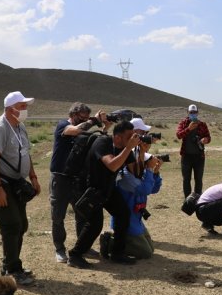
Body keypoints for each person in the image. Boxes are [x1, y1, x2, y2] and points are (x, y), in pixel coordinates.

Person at [0, 91, 41, 286]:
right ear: (10, 109)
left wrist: (32, 176)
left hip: (16, 183)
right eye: (22, 106)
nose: (25, 110)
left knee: (21, 225)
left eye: (26, 106)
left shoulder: (20, 126)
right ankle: (12, 269)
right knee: (12, 225)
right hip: (2, 182)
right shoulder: (0, 128)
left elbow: (26, 153)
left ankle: (10, 263)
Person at [66, 121, 141, 268]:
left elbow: (136, 172)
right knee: (95, 224)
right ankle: (75, 255)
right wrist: (128, 148)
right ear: (118, 137)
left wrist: (140, 150)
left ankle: (117, 253)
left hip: (106, 188)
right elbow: (112, 165)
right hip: (88, 190)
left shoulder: (126, 148)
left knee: (123, 213)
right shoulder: (103, 142)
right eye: (129, 136)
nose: (132, 139)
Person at [49, 102, 107, 263]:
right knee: (58, 216)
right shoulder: (63, 126)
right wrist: (94, 121)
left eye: (87, 118)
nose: (85, 121)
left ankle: (83, 247)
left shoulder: (82, 130)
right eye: (82, 118)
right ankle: (59, 249)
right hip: (60, 178)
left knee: (82, 214)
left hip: (76, 179)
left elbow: (96, 142)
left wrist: (104, 128)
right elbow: (77, 130)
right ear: (73, 115)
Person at [109, 147, 163, 259]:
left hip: (136, 220)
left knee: (150, 249)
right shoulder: (126, 176)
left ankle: (120, 242)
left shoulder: (140, 174)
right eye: (144, 160)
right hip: (127, 222)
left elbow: (154, 189)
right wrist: (149, 170)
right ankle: (109, 242)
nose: (145, 163)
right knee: (146, 253)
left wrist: (155, 173)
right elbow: (146, 190)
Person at [176, 104, 211, 197]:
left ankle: (198, 200)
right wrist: (189, 128)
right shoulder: (183, 123)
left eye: (194, 112)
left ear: (197, 113)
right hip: (186, 156)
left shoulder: (202, 124)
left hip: (199, 156)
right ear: (187, 113)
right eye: (191, 112)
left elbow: (208, 137)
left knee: (198, 179)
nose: (193, 114)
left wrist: (205, 140)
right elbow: (178, 135)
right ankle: (187, 201)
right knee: (186, 179)